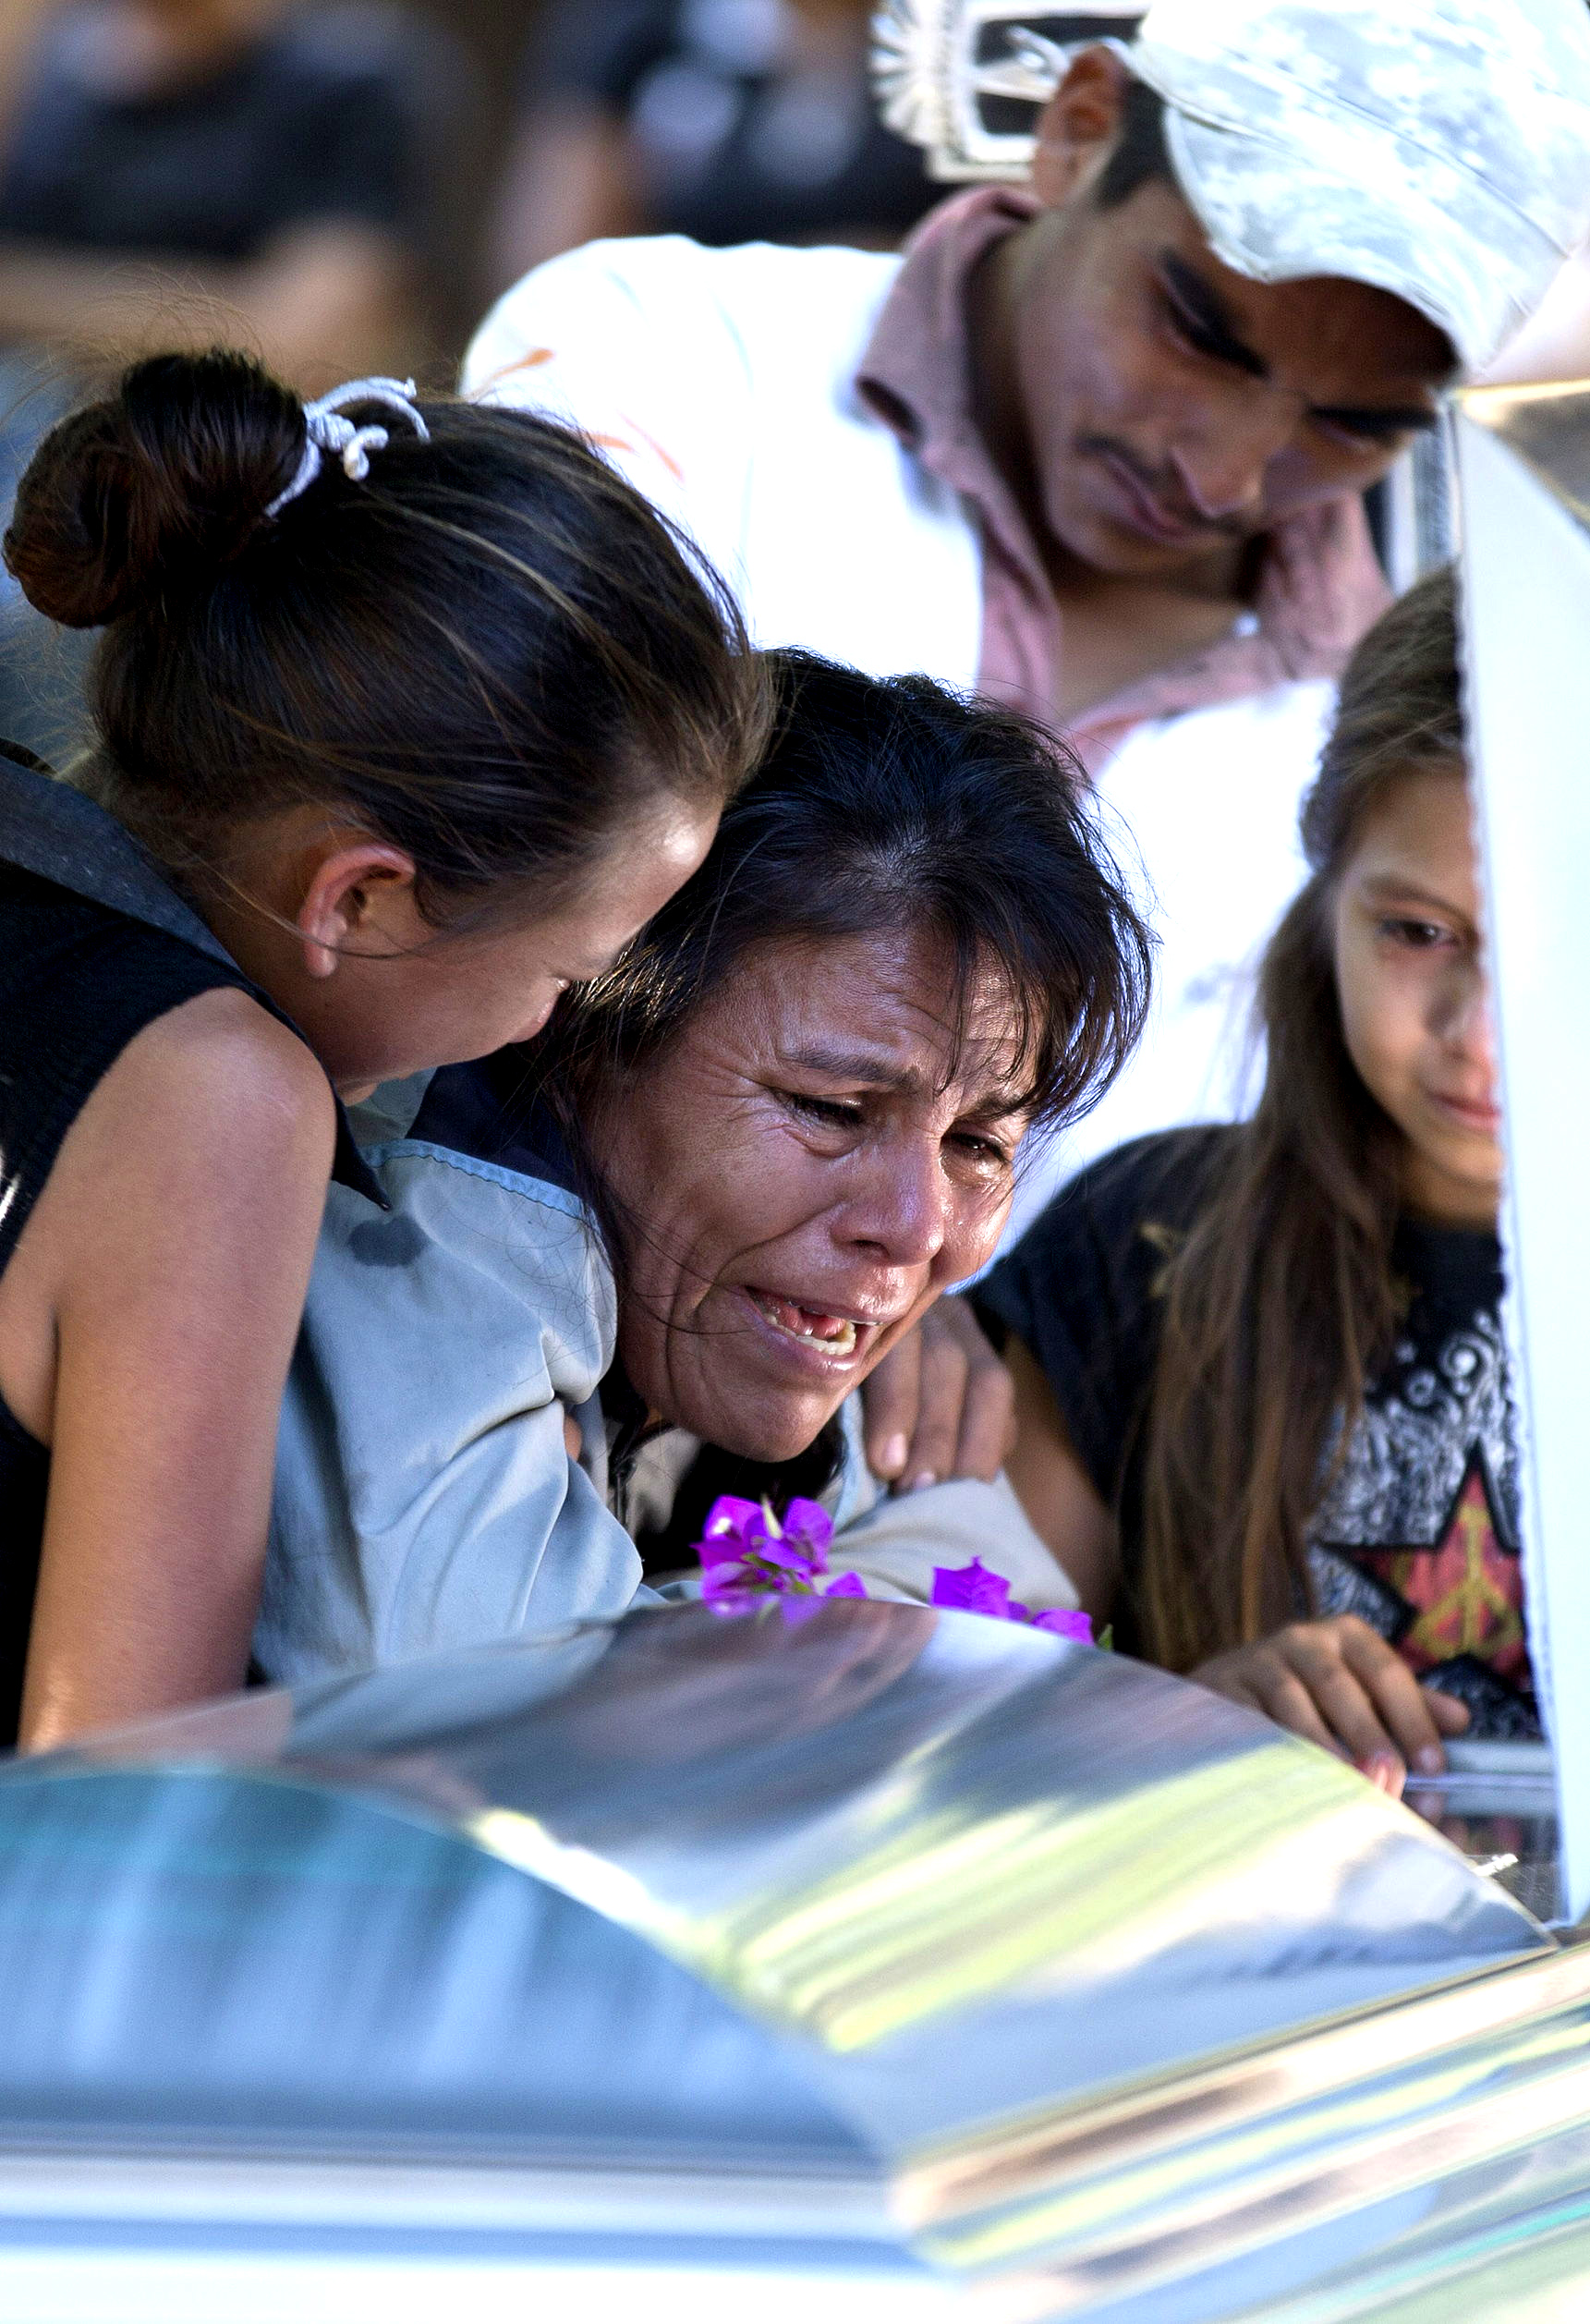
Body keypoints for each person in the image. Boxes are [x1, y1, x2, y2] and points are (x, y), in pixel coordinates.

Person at [462, 0, 1590, 1233]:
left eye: (1356, 426)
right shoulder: (663, 358)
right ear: (1078, 132)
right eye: (1199, 332)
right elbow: (500, 910)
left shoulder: (1402, 714)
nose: (1223, 474)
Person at [0, 346, 768, 1750]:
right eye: (566, 969)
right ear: (357, 897)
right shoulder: (211, 1094)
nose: (543, 1025)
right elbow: (121, 1783)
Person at [257, 654, 1149, 1684]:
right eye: (829, 1109)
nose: (914, 1230)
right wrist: (810, 1634)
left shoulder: (834, 1331)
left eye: (976, 1146)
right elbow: (476, 1703)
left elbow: (1005, 1634)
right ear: (579, 1033)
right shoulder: (383, 1243)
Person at [977, 568, 1528, 1786]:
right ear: (1325, 890)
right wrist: (1180, 1734)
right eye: (1417, 931)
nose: (1478, 1034)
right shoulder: (1145, 1245)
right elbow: (969, 1740)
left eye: (1564, 940)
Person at [488, 0, 934, 290]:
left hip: (883, 370)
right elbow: (550, 267)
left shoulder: (960, 42)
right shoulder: (644, 28)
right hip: (669, 359)